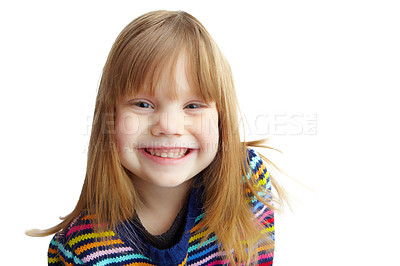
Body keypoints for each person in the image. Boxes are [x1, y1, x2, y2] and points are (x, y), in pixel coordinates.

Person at [27, 10, 287, 265]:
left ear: (221, 117)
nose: (169, 126)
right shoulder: (81, 250)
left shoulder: (247, 178)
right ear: (110, 116)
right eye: (142, 104)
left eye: (193, 106)